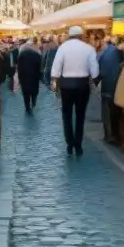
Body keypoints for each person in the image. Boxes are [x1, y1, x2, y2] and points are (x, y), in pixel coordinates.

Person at [51, 26, 99, 156]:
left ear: (70, 36)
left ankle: (69, 143)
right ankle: (78, 144)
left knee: (66, 114)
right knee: (80, 115)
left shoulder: (63, 48)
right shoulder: (89, 49)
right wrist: (95, 81)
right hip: (82, 85)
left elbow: (55, 69)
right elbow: (95, 71)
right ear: (81, 36)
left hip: (66, 85)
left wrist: (55, 82)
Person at [98, 36, 124, 144]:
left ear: (105, 43)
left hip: (106, 87)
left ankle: (108, 135)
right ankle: (115, 135)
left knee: (106, 112)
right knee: (115, 112)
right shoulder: (119, 52)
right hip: (117, 86)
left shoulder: (102, 53)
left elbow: (97, 69)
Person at [16, 37, 43, 114]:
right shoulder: (37, 54)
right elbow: (40, 67)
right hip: (34, 77)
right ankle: (33, 101)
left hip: (24, 77)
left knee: (25, 93)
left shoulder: (21, 55)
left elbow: (19, 68)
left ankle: (27, 107)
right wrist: (40, 76)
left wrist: (19, 78)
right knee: (34, 91)